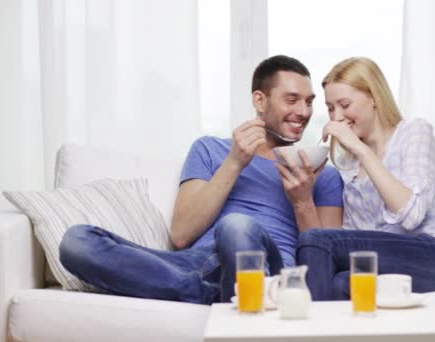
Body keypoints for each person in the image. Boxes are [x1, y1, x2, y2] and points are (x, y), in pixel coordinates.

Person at [59, 55, 344, 304]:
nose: (304, 112)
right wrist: (235, 162)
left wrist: (303, 201)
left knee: (237, 227)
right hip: (194, 265)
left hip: (268, 268)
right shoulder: (210, 149)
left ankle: (236, 294)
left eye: (309, 102)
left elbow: (324, 266)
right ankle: (205, 295)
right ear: (260, 100)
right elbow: (181, 235)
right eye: (292, 100)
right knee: (76, 241)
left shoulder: (322, 173)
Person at [296, 57, 435, 301]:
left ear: (374, 97)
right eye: (331, 108)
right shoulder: (349, 165)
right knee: (340, 283)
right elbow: (356, 238)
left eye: (344, 104)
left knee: (315, 241)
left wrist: (361, 150)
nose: (337, 116)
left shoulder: (414, 132)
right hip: (388, 266)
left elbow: (411, 215)